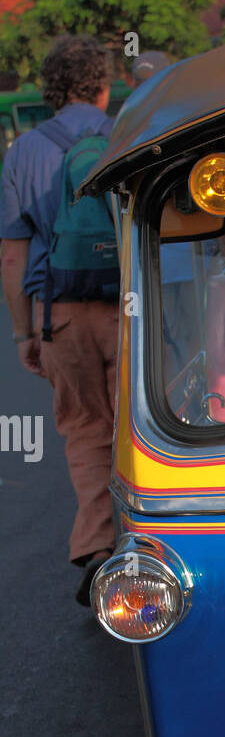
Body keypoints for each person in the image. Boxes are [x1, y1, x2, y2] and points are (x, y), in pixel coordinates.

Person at [0, 35, 118, 604]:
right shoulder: (127, 132)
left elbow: (12, 253)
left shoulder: (24, 152)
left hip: (60, 313)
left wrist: (24, 332)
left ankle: (98, 549)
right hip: (131, 305)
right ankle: (152, 540)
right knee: (139, 426)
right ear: (103, 85)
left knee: (85, 429)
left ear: (49, 89)